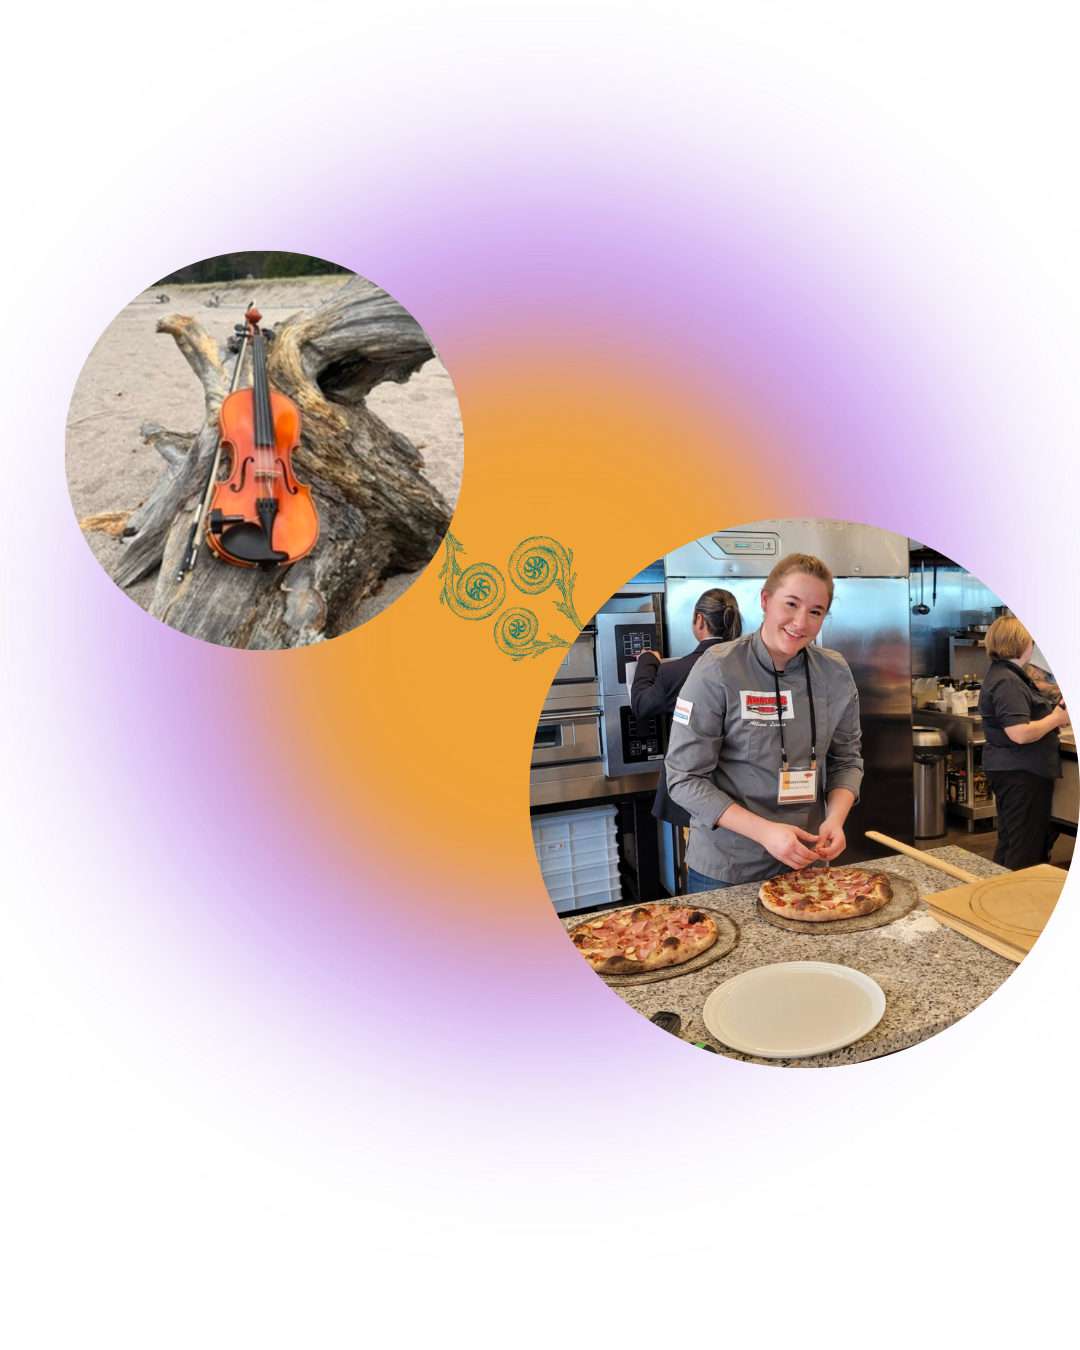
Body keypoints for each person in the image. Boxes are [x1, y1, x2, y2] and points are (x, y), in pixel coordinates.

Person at [665, 553, 864, 893]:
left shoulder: (835, 673)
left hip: (807, 862)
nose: (800, 623)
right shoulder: (717, 669)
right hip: (728, 868)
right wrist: (766, 832)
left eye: (815, 612)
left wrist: (835, 819)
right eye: (791, 604)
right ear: (765, 600)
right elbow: (683, 779)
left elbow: (847, 759)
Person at [629, 589, 742, 829]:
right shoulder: (749, 667)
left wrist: (648, 661)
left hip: (696, 792)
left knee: (702, 857)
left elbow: (641, 705)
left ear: (699, 620)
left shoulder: (676, 671)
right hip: (744, 791)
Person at [977, 616, 1069, 870]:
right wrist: (1054, 718)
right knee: (1025, 847)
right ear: (1020, 644)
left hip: (1017, 769)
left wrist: (1050, 717)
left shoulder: (1009, 675)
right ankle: (1015, 905)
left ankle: (997, 901)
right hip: (1022, 771)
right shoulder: (1007, 680)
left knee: (1013, 840)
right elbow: (1019, 733)